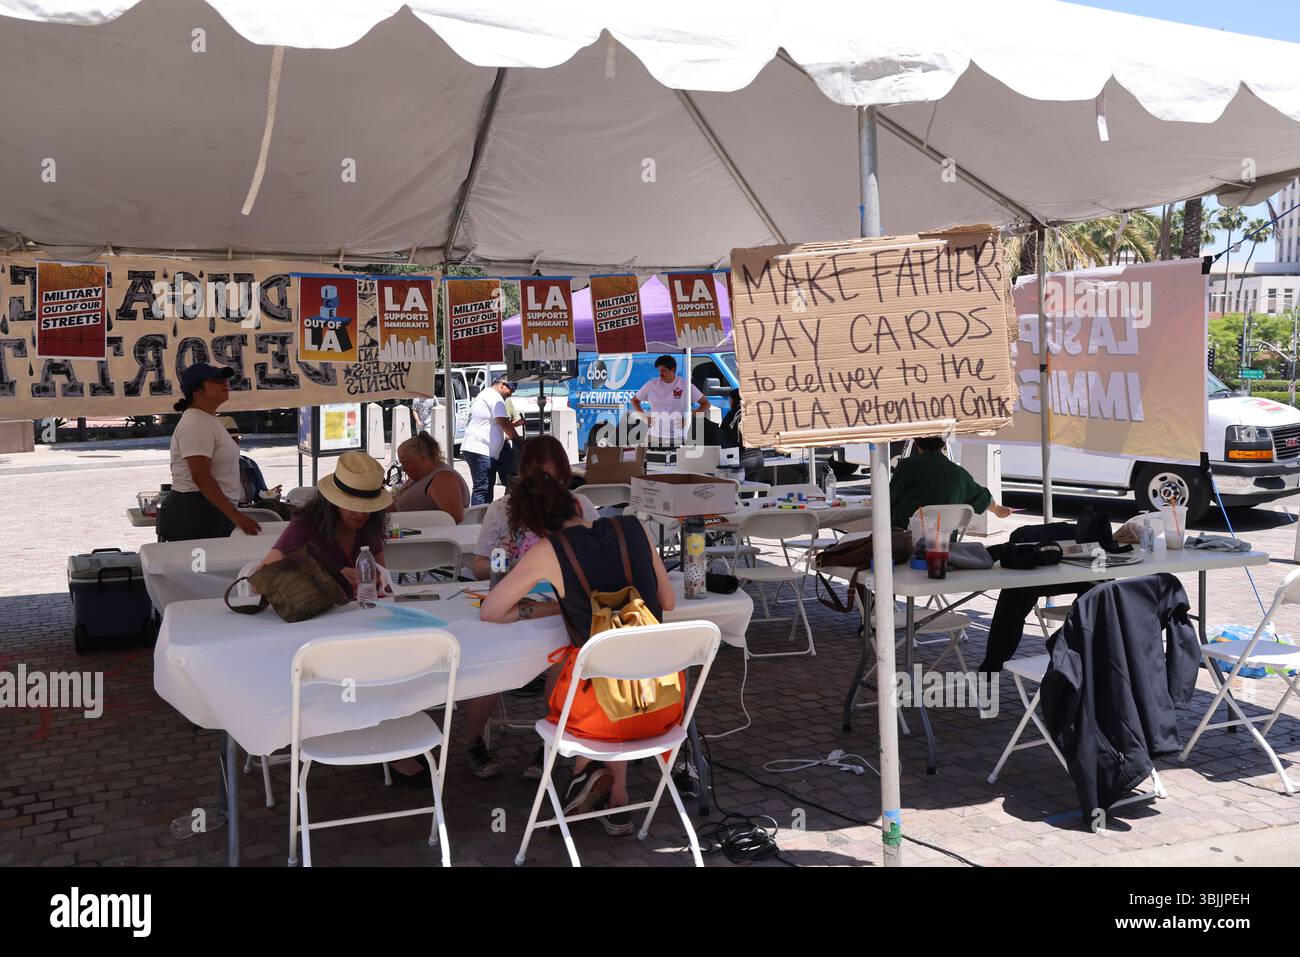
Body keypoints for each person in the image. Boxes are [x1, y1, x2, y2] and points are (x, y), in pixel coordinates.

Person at [481, 509, 677, 836]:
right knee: (618, 679)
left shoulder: (550, 549)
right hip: (661, 704)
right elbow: (667, 602)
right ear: (576, 503)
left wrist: (557, 602)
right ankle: (614, 798)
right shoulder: (635, 527)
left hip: (599, 713)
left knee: (593, 687)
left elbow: (491, 610)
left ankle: (586, 780)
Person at [258, 450, 391, 590]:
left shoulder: (371, 523)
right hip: (318, 610)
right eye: (351, 506)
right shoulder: (306, 524)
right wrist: (329, 577)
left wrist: (378, 579)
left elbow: (382, 578)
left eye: (368, 507)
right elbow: (260, 580)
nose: (361, 515)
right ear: (334, 501)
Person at [157, 362, 260, 540]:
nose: (224, 382)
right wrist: (234, 515)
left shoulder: (206, 419)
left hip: (207, 508)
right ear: (197, 391)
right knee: (201, 567)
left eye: (224, 378)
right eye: (215, 380)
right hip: (196, 510)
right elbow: (201, 476)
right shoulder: (196, 422)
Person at [472, 435, 598, 579]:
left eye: (549, 481)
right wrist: (507, 564)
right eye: (538, 480)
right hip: (524, 592)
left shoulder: (579, 504)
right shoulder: (502, 509)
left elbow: (598, 554)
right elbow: (479, 567)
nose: (543, 489)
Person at [888, 435, 1013, 530]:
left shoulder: (906, 466)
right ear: (943, 444)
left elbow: (888, 500)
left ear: (916, 443)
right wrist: (998, 510)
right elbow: (982, 498)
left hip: (907, 540)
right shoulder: (959, 473)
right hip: (945, 546)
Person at [461, 375, 521, 505]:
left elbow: (493, 425)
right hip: (481, 449)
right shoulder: (495, 398)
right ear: (502, 385)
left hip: (480, 448)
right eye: (510, 391)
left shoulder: (486, 395)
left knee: (486, 489)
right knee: (483, 489)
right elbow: (503, 422)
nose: (510, 395)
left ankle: (482, 519)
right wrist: (518, 441)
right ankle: (478, 521)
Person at [631, 355, 709, 447]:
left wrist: (689, 418)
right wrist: (643, 417)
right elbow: (634, 400)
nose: (660, 374)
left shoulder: (686, 386)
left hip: (679, 436)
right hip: (654, 435)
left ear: (672, 370)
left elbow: (705, 403)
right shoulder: (651, 385)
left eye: (664, 370)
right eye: (659, 370)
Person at [393, 431, 470, 522]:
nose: (403, 469)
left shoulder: (443, 480)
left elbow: (453, 519)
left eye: (406, 463)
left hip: (427, 534)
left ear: (422, 458)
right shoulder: (419, 475)